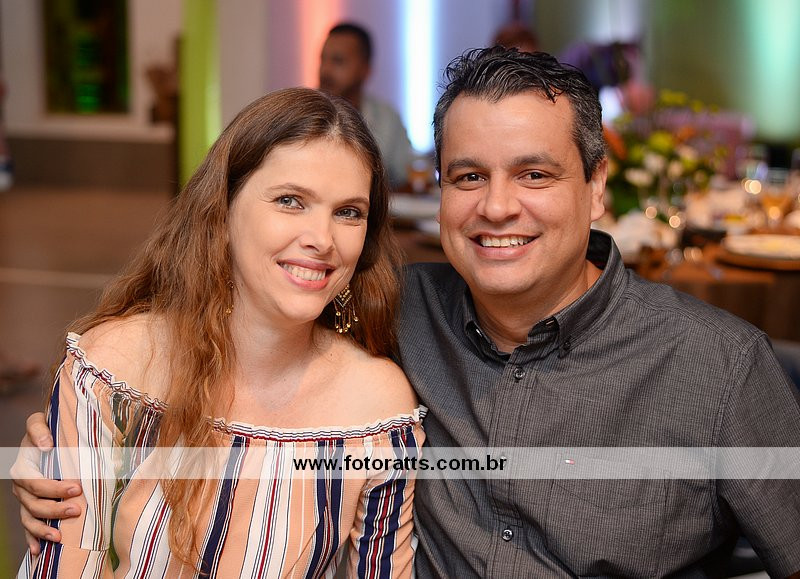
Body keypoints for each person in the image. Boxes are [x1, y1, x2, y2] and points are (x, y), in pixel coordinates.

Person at [14, 48, 800, 577]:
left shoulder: (720, 368)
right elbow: (242, 324)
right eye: (468, 176)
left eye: (534, 174)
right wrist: (76, 442)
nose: (498, 206)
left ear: (596, 188)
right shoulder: (389, 311)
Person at [12, 87, 422, 577]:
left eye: (348, 212)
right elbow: (63, 562)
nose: (322, 240)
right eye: (290, 201)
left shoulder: (376, 410)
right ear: (222, 211)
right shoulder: (114, 369)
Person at [318, 22, 413, 189]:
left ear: (365, 69)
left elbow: (408, 178)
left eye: (338, 61)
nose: (325, 70)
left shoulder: (387, 117)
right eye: (323, 59)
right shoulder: (299, 114)